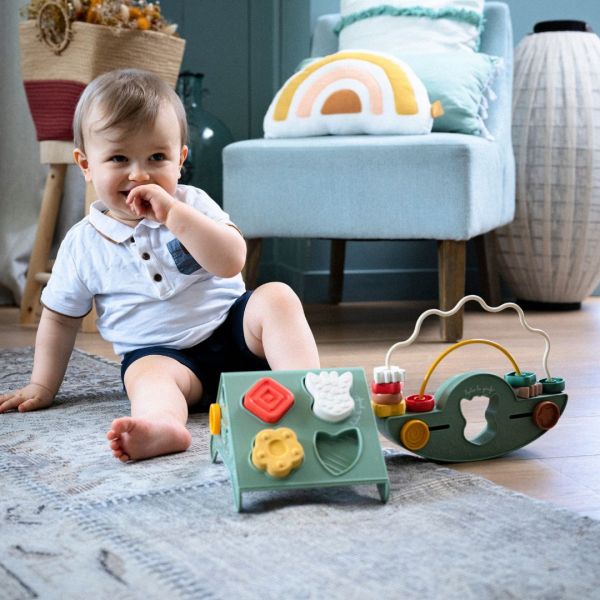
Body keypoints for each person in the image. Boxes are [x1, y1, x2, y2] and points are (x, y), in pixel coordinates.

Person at [0, 69, 320, 462]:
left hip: (236, 335)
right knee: (146, 375)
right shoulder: (83, 244)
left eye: (156, 157)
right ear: (86, 165)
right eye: (119, 158)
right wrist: (42, 385)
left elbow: (231, 261)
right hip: (167, 360)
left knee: (277, 297)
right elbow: (60, 320)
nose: (139, 174)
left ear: (180, 159)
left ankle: (304, 391)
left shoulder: (193, 205)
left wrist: (174, 215)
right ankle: (163, 425)